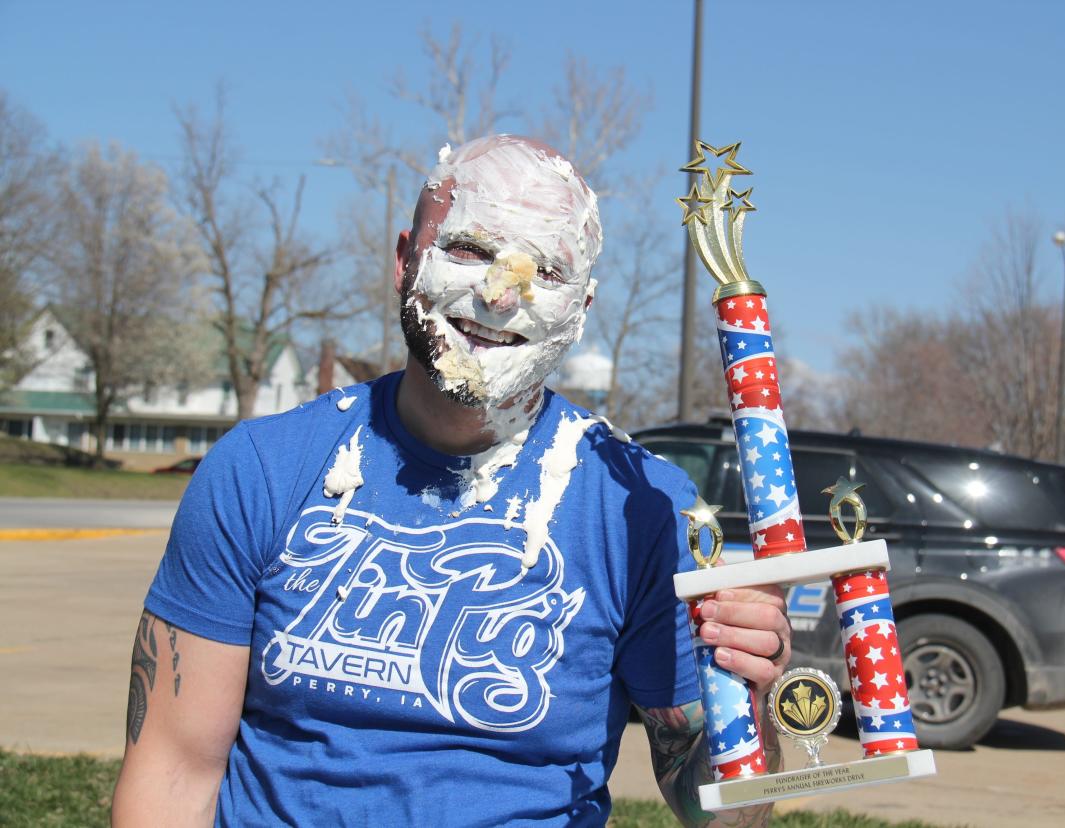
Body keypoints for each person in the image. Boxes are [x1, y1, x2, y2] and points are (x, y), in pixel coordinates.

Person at [111, 135, 792, 827]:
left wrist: (747, 693)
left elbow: (724, 815)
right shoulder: (261, 468)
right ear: (405, 259)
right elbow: (172, 773)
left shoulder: (641, 509)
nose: (501, 294)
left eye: (547, 271)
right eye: (469, 249)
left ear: (582, 309)